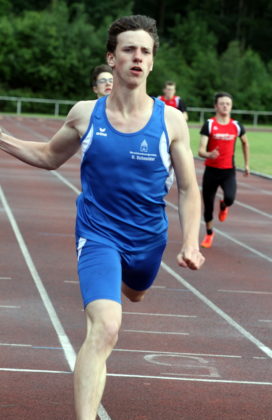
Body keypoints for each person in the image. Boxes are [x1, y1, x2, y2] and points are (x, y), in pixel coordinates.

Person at [0, 15, 205, 420]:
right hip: (98, 234)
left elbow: (187, 188)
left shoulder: (171, 121)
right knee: (106, 327)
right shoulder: (84, 114)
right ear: (112, 59)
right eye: (129, 49)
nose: (138, 57)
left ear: (151, 62)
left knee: (137, 292)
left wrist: (190, 242)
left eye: (145, 51)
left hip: (148, 240)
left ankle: (132, 281)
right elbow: (47, 156)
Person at [198, 92, 250, 248]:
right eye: (222, 103)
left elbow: (245, 143)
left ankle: (223, 205)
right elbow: (200, 150)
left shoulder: (236, 126)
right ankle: (209, 234)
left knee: (230, 198)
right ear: (215, 106)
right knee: (207, 206)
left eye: (228, 103)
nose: (225, 106)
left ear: (231, 106)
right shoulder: (209, 124)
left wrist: (247, 164)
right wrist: (209, 154)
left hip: (228, 171)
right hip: (211, 171)